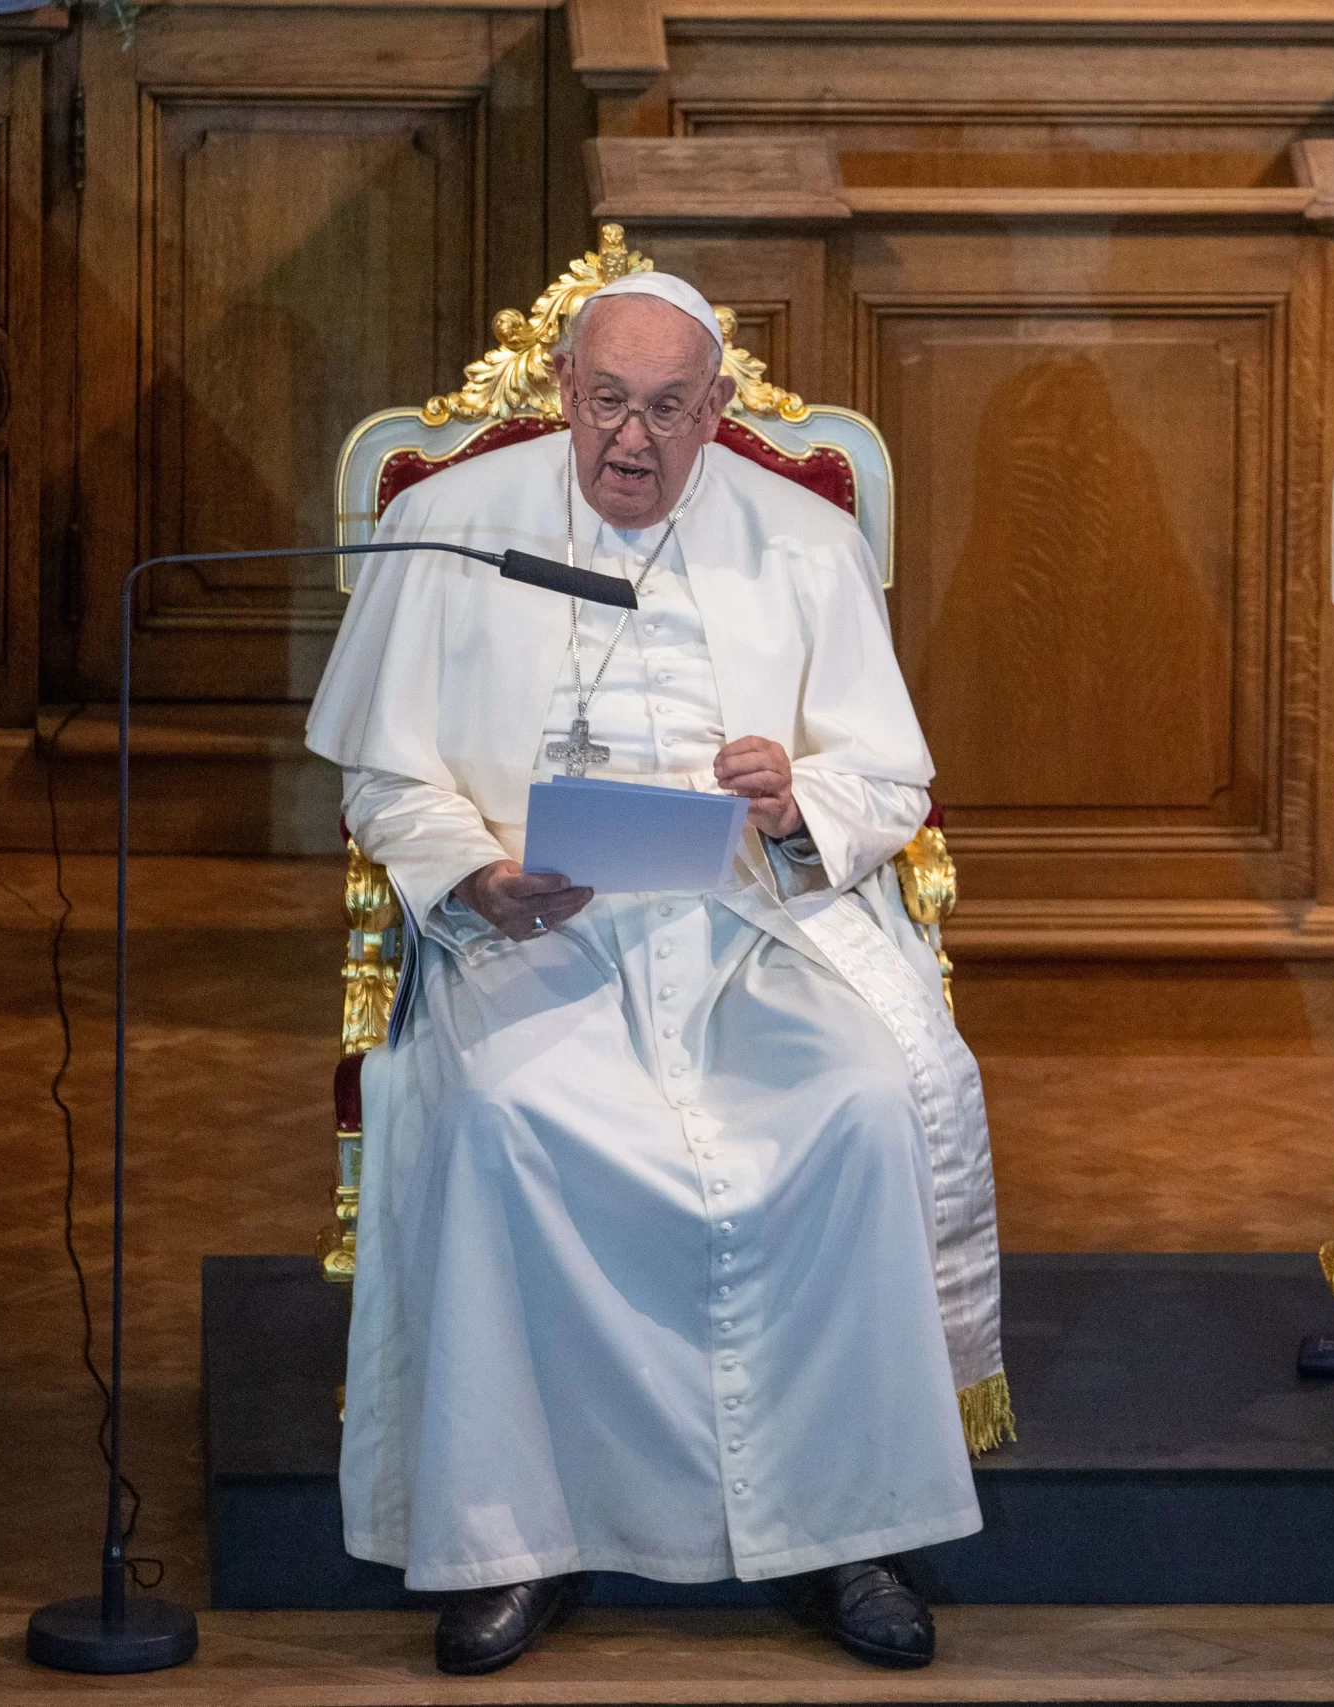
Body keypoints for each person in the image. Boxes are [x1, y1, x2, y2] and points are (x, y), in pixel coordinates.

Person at [306, 270, 1004, 1676]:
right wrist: (481, 877)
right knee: (508, 1119)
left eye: (666, 410)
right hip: (533, 936)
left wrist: (791, 791)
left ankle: (849, 1527)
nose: (630, 441)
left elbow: (891, 773)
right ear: (565, 391)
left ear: (718, 411)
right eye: (607, 402)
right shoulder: (446, 530)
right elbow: (387, 775)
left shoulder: (803, 540)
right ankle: (517, 1541)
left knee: (863, 1103)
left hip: (755, 928)